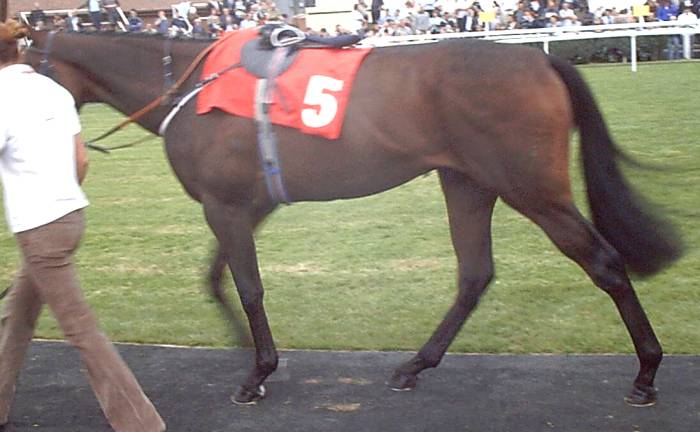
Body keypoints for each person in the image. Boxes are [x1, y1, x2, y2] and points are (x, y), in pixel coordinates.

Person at [0, 20, 165, 432]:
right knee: (16, 318)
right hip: (70, 216)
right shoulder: (54, 90)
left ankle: (141, 423)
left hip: (39, 227)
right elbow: (82, 159)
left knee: (80, 330)